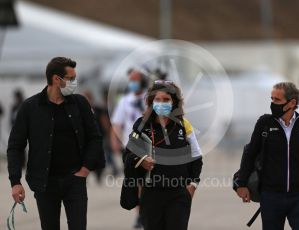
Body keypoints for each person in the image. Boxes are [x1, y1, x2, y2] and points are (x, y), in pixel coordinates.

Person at [7, 57, 105, 230]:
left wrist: (85, 169)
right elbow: (15, 146)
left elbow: (95, 137)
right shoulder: (30, 107)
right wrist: (15, 181)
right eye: (71, 78)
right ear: (56, 79)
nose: (75, 82)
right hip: (45, 183)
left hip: (75, 180)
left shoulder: (80, 104)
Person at [236, 82, 299, 230]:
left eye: (277, 100)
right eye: (271, 99)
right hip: (271, 196)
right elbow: (250, 153)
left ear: (292, 103)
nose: (272, 103)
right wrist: (242, 183)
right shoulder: (264, 123)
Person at [124, 80, 203, 230]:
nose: (162, 103)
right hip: (150, 193)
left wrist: (192, 185)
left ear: (174, 102)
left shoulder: (184, 125)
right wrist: (141, 161)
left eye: (166, 100)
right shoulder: (141, 125)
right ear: (151, 101)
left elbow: (197, 157)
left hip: (178, 194)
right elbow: (127, 154)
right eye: (157, 99)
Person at [111, 69, 148, 228]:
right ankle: (140, 215)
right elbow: (117, 123)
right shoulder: (125, 100)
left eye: (135, 80)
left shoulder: (152, 98)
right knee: (136, 183)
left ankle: (148, 212)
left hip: (150, 147)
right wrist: (114, 141)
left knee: (149, 183)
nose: (132, 83)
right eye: (130, 80)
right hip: (131, 148)